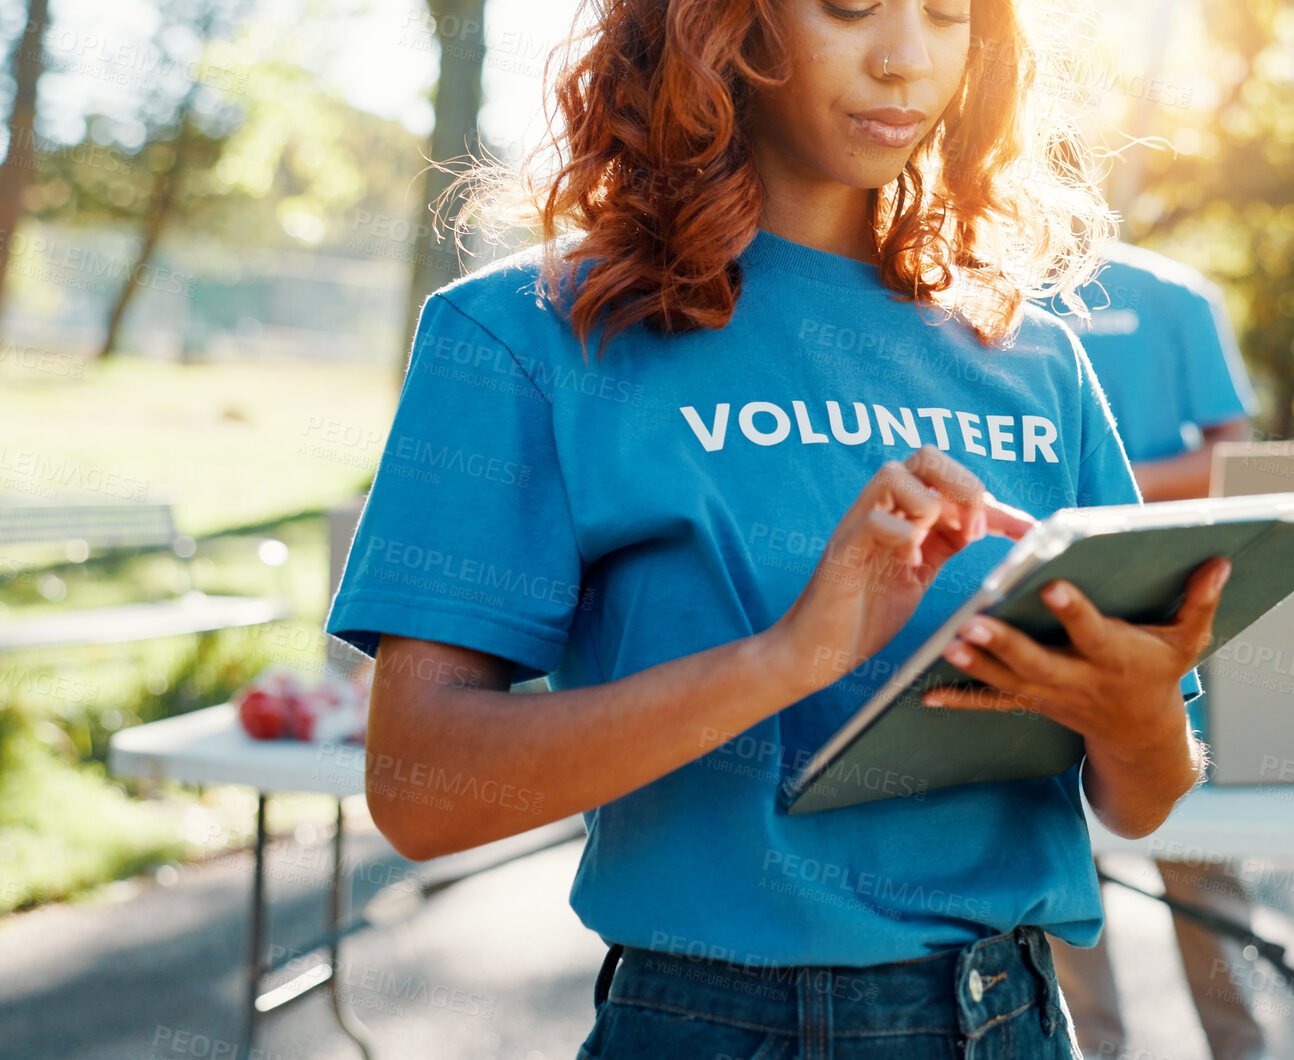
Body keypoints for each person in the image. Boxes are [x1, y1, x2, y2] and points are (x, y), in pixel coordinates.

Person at [322, 0, 1233, 1057]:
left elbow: (1144, 801)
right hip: (716, 1027)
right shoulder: (525, 332)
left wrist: (1135, 717)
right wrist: (786, 658)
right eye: (850, 8)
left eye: (946, 17)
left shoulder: (1033, 355)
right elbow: (421, 792)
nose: (904, 61)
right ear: (722, 26)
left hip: (1017, 1018)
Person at [1039, 241, 1265, 1060]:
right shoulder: (983, 291)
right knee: (1063, 867)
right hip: (1036, 615)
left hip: (1160, 610)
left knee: (1198, 861)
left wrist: (1102, 478)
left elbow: (1230, 455)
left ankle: (1240, 1049)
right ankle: (1093, 1050)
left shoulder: (1176, 293)